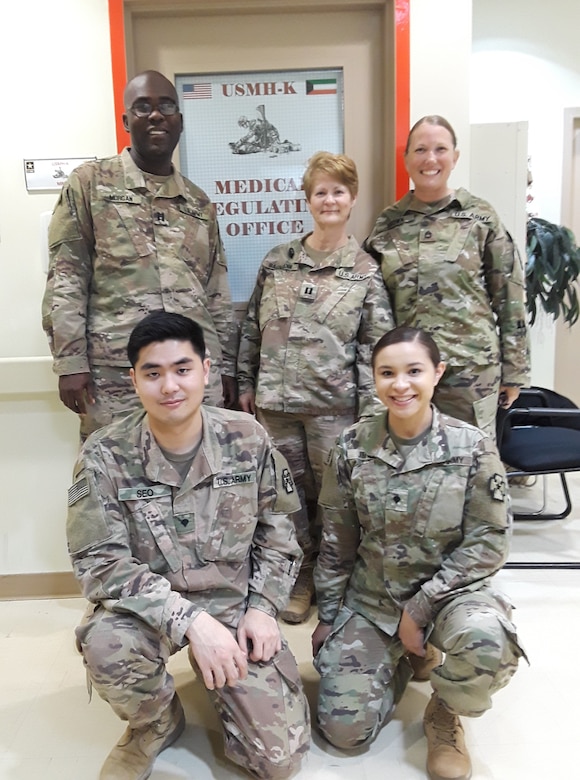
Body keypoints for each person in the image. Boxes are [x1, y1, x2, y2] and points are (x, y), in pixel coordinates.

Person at [66, 311, 310, 780]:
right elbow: (99, 562)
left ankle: (229, 682)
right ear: (134, 380)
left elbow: (280, 533)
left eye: (181, 369)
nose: (169, 386)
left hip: (235, 605)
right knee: (108, 645)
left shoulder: (247, 437)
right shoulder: (105, 453)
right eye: (153, 373)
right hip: (151, 610)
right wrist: (190, 622)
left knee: (278, 762)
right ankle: (155, 722)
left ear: (206, 370)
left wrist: (263, 607)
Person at [311, 326, 527, 780]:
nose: (400, 384)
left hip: (451, 596)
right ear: (374, 379)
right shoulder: (352, 446)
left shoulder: (472, 447)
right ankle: (405, 662)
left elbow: (490, 540)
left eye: (414, 371)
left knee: (489, 640)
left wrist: (421, 607)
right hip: (371, 599)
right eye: (387, 373)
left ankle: (444, 713)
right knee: (343, 733)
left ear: (437, 373)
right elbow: (336, 540)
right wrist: (328, 617)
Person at [237, 151, 393, 623]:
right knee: (285, 502)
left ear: (352, 198)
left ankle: (333, 582)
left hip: (335, 411)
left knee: (336, 503)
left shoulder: (365, 270)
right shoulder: (278, 261)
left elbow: (375, 349)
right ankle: (298, 578)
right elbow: (250, 328)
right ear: (308, 199)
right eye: (321, 191)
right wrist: (244, 382)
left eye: (338, 191)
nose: (329, 199)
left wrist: (372, 415)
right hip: (276, 408)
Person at [42, 70, 238, 440]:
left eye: (166, 106)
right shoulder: (89, 184)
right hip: (116, 372)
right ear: (126, 120)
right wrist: (70, 361)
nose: (156, 115)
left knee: (199, 470)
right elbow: (67, 277)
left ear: (180, 120)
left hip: (190, 372)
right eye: (142, 107)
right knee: (114, 473)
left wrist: (224, 364)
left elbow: (216, 291)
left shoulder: (198, 203)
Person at [364, 115, 529, 441]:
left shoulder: (481, 217)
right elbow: (370, 300)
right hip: (406, 375)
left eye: (440, 149)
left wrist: (515, 371)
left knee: (472, 461)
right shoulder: (389, 223)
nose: (430, 159)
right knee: (410, 459)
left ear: (454, 157)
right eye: (421, 149)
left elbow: (509, 294)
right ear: (407, 159)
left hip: (469, 372)